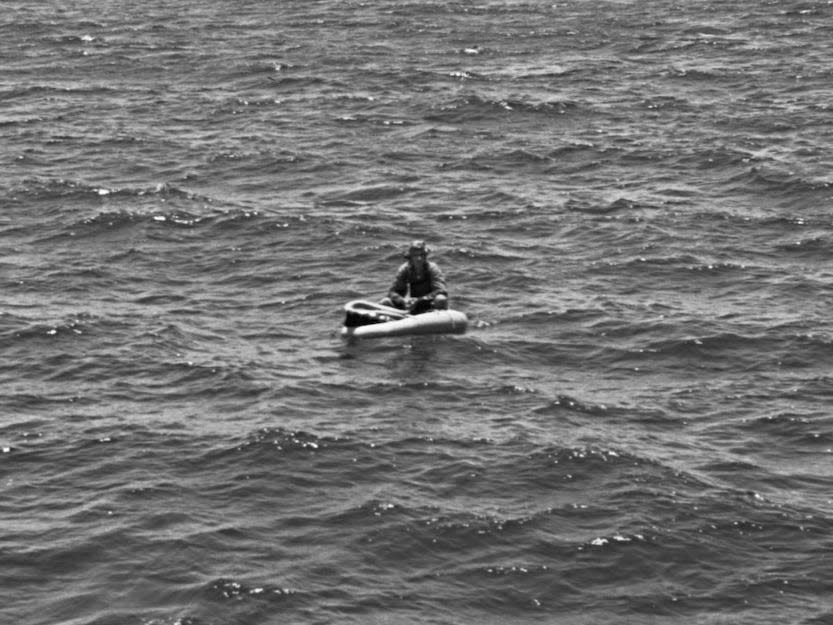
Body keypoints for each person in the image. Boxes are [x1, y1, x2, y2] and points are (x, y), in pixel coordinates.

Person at [381, 240, 449, 314]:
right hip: (410, 306)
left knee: (441, 299)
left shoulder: (432, 268)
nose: (419, 259)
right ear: (410, 257)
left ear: (425, 256)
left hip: (428, 305)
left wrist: (419, 300)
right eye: (415, 256)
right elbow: (392, 292)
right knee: (385, 301)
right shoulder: (404, 269)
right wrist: (402, 300)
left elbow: (441, 291)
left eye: (421, 255)